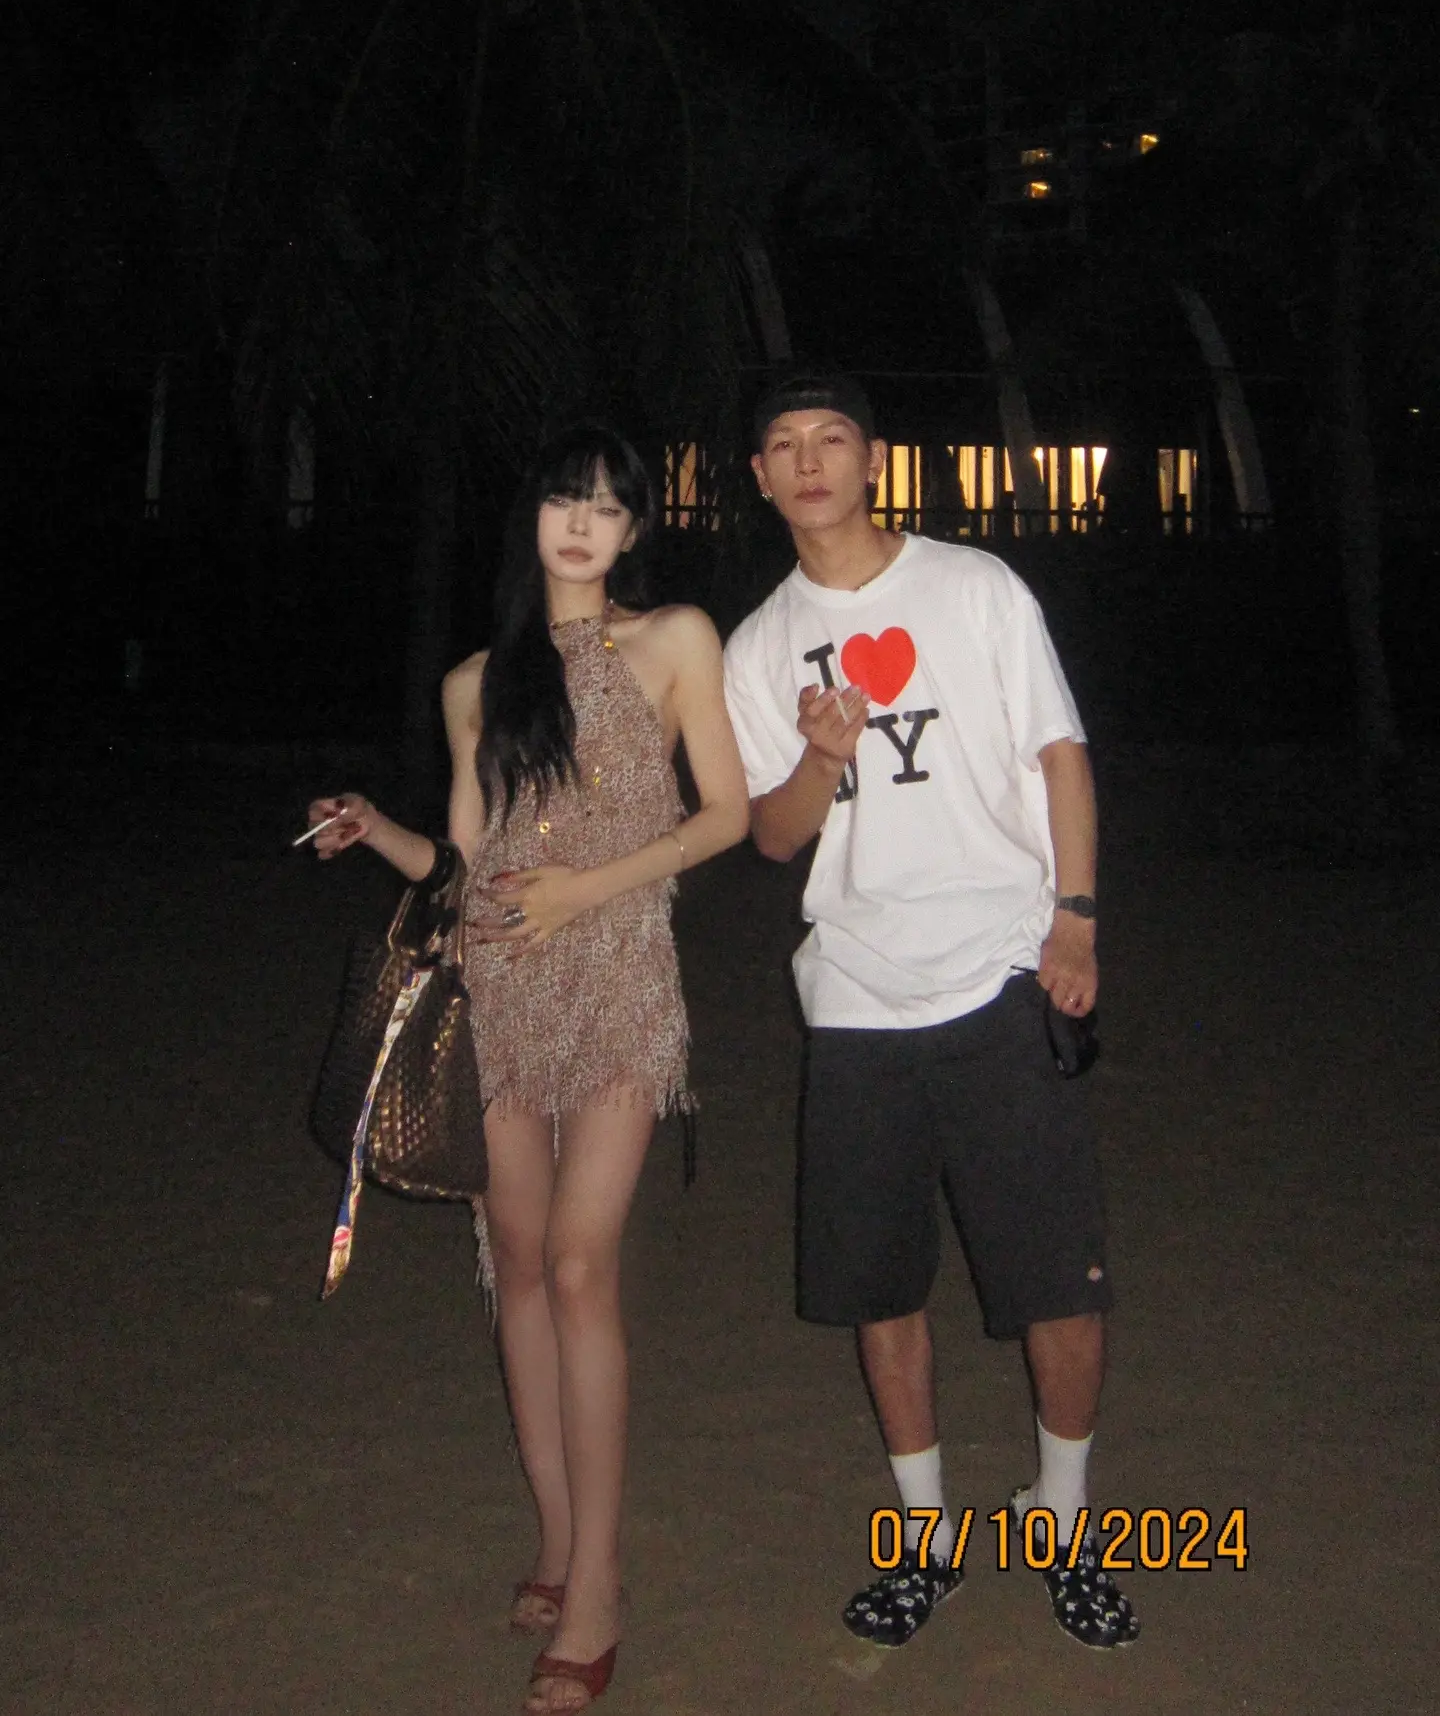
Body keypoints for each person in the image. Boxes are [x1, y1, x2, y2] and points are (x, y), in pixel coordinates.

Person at [309, 425, 749, 1715]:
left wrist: (585, 892)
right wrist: (375, 828)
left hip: (620, 982)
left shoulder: (674, 640)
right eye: (565, 500)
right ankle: (556, 1538)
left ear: (634, 532)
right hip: (498, 988)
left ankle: (599, 1577)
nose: (583, 522)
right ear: (534, 519)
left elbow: (723, 815)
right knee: (513, 1262)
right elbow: (465, 869)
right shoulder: (474, 682)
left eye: (609, 507)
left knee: (577, 1263)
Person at [721, 370, 1139, 1654]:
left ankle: (1062, 1522)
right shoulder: (756, 645)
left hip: (1002, 970)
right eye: (783, 445)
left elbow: (1059, 753)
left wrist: (1074, 918)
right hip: (855, 995)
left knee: (1058, 1282)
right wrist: (823, 754)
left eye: (830, 438)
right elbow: (774, 837)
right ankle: (926, 1539)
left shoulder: (975, 588)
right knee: (882, 1286)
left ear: (872, 460)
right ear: (759, 479)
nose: (809, 461)